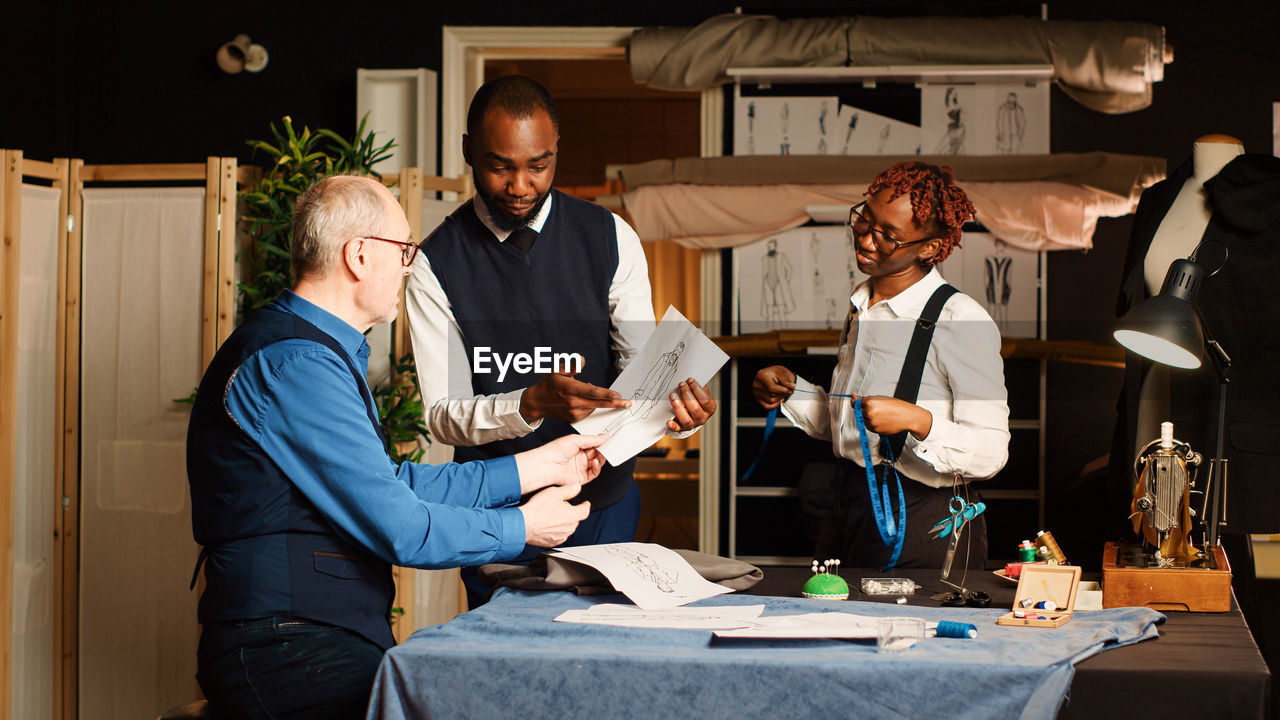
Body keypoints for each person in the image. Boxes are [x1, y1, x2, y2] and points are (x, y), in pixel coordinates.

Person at [187, 174, 606, 720]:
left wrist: (535, 467)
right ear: (359, 255)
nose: (410, 265)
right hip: (285, 646)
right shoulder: (298, 363)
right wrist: (524, 529)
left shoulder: (311, 351)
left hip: (312, 635)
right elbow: (402, 528)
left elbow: (392, 484)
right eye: (404, 248)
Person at [406, 75, 716, 599]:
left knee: (598, 662)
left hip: (603, 504)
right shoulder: (435, 263)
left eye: (538, 165)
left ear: (556, 151)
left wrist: (680, 414)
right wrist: (527, 405)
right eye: (500, 165)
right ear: (468, 153)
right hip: (496, 515)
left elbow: (646, 369)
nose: (521, 186)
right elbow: (442, 417)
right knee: (503, 666)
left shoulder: (610, 237)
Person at [752, 162, 1009, 570]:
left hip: (925, 520)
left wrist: (918, 421)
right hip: (849, 505)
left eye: (888, 236)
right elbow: (851, 426)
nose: (867, 241)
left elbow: (992, 454)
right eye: (864, 220)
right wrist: (793, 390)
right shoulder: (861, 307)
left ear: (929, 247)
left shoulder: (961, 319)